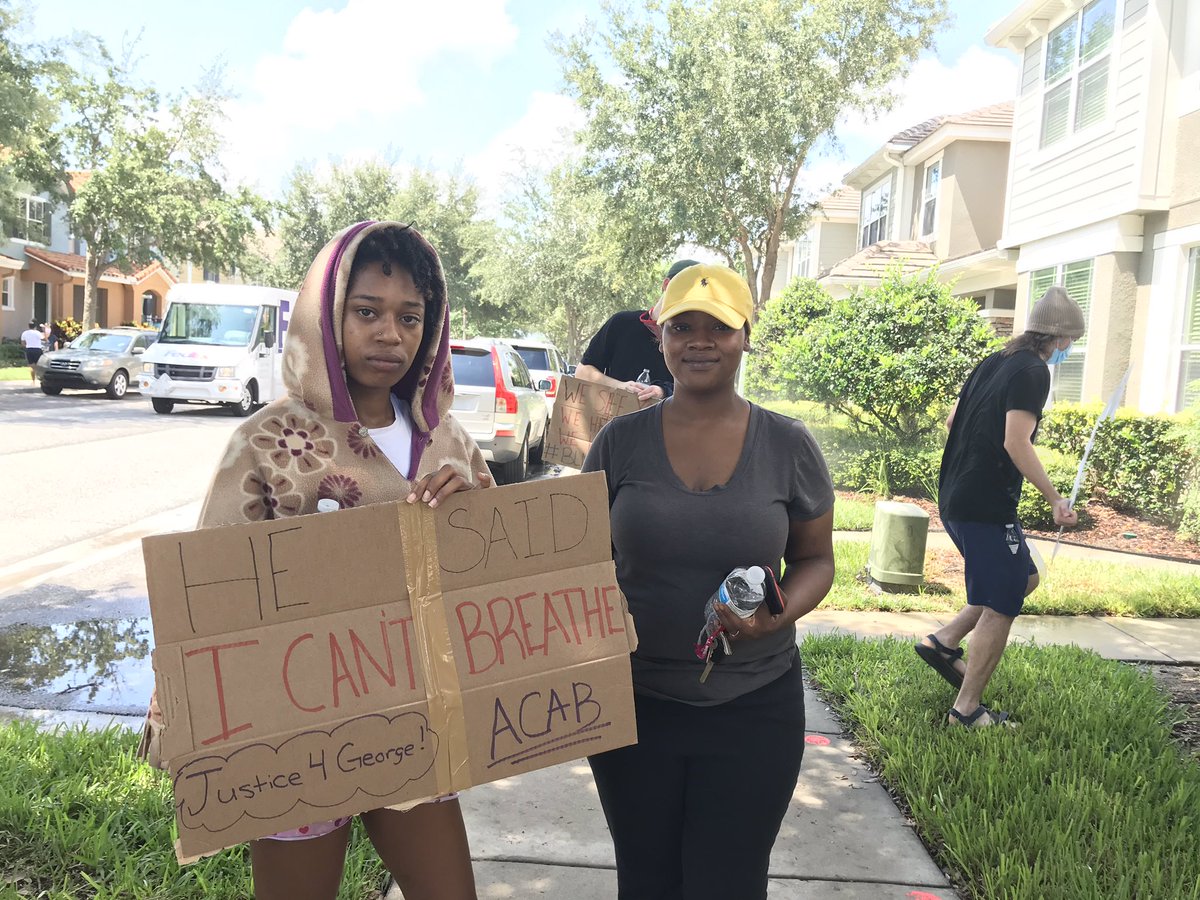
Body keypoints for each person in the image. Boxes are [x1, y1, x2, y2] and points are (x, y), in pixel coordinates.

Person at [139, 222, 487, 899]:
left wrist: (471, 511)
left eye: (409, 316)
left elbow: (498, 570)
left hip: (413, 721)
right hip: (296, 740)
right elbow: (209, 589)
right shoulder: (268, 441)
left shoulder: (445, 439)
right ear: (326, 317)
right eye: (367, 312)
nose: (390, 333)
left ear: (431, 326)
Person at [581, 263, 836, 898]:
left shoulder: (787, 445)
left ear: (745, 335)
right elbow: (578, 561)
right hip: (636, 706)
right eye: (682, 327)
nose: (700, 341)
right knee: (646, 881)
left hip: (754, 706)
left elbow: (816, 560)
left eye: (718, 327)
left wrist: (775, 617)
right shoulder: (619, 443)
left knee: (729, 882)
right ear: (660, 338)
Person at [915, 285, 1086, 728]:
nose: (1070, 349)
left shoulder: (997, 360)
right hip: (986, 505)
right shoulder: (1033, 372)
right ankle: (966, 710)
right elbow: (1016, 441)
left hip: (957, 494)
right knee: (1003, 603)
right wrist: (1054, 498)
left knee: (1022, 578)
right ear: (1062, 338)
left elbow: (954, 420)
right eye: (1072, 342)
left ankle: (944, 642)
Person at [574, 258, 699, 401]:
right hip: (614, 419)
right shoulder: (621, 323)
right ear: (666, 285)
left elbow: (697, 390)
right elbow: (583, 372)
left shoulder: (695, 342)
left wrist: (663, 391)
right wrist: (621, 386)